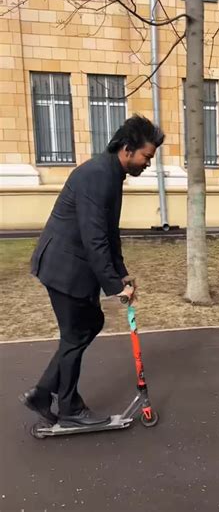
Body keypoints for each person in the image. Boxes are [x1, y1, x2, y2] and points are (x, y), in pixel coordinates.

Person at [20, 114, 164, 427]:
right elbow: (94, 237)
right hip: (64, 267)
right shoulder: (98, 175)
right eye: (146, 157)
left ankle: (43, 393)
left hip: (73, 266)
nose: (147, 164)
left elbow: (110, 233)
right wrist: (115, 287)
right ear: (127, 149)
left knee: (90, 324)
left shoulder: (112, 174)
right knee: (75, 334)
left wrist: (121, 274)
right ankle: (68, 406)